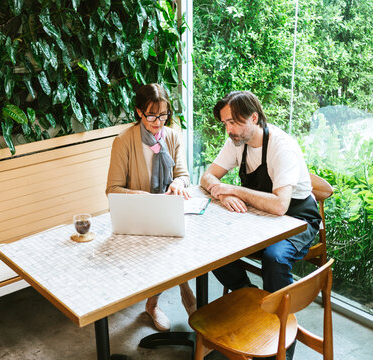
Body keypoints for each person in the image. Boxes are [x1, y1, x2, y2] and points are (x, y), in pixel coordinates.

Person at [200, 91, 322, 358]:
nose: (229, 129)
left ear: (254, 117)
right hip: (259, 215)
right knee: (212, 245)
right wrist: (222, 190)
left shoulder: (281, 146)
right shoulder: (236, 141)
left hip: (298, 218)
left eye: (233, 122)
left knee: (274, 257)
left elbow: (280, 205)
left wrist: (233, 189)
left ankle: (282, 343)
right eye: (225, 124)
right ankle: (252, 300)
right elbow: (207, 176)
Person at [106, 83, 197, 331]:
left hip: (168, 210)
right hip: (140, 215)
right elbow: (112, 190)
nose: (159, 122)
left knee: (184, 243)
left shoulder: (173, 136)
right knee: (164, 250)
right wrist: (142, 196)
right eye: (152, 115)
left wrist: (178, 183)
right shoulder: (124, 141)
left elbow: (184, 175)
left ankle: (159, 300)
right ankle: (179, 294)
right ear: (139, 112)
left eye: (164, 114)